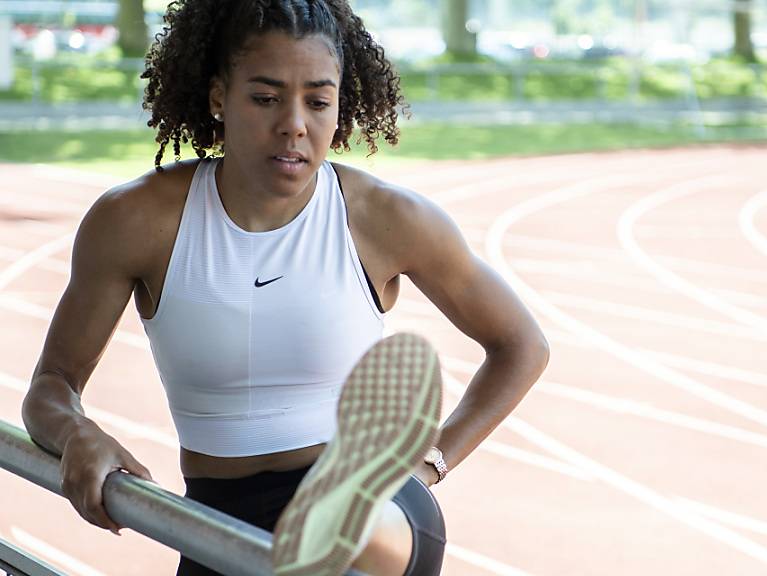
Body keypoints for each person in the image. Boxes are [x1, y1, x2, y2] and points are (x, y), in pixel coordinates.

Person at [20, 1, 550, 575]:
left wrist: (428, 467)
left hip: (371, 513)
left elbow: (521, 344)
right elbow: (51, 385)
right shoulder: (135, 221)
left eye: (318, 102)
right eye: (266, 98)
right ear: (219, 97)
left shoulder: (385, 218)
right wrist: (76, 434)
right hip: (218, 523)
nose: (295, 124)